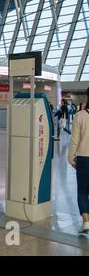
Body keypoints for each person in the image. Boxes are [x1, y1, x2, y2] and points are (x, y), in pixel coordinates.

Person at [68, 87, 89, 233]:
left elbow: (74, 140)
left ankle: (86, 221)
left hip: (83, 159)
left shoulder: (80, 115)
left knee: (82, 191)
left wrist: (71, 158)